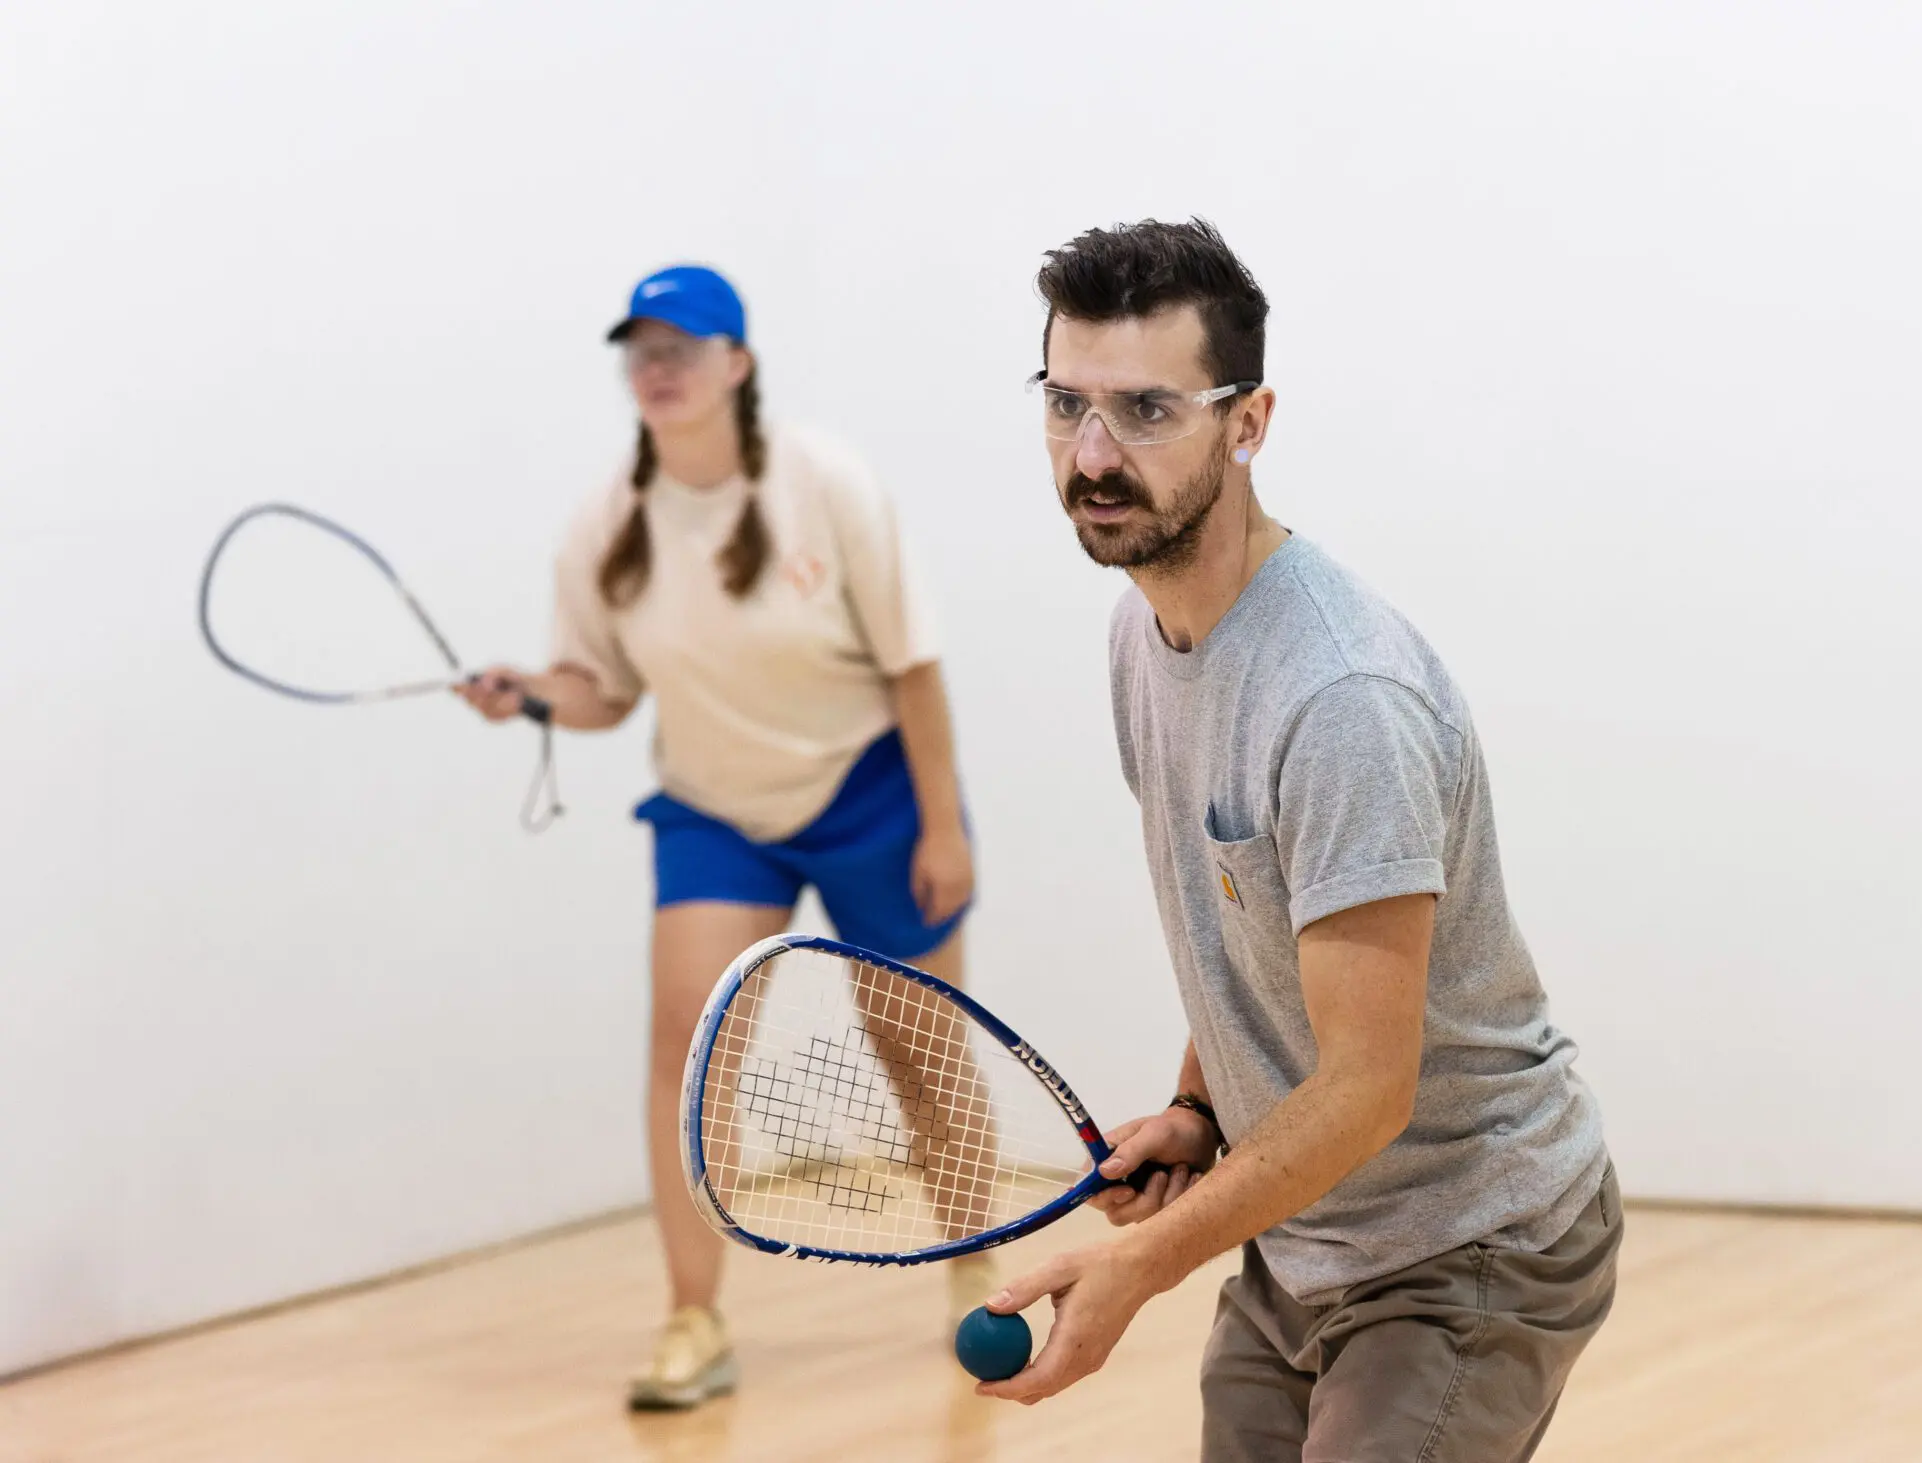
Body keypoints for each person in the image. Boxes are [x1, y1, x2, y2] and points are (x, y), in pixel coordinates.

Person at [978, 221, 1618, 1462]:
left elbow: (1368, 1087)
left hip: (1469, 1238)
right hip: (1304, 1235)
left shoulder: (1339, 699)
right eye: (1066, 404)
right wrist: (1193, 1102)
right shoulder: (1140, 634)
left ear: (1246, 421)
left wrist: (1141, 1265)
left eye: (1146, 409)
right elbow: (1245, 915)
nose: (1093, 454)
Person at [461, 264, 981, 1410]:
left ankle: (974, 1274)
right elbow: (601, 694)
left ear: (734, 364)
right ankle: (694, 1319)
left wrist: (940, 822)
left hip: (873, 791)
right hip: (712, 810)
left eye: (680, 347)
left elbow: (914, 662)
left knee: (918, 1047)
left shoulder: (824, 482)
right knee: (684, 1048)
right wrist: (534, 696)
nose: (656, 367)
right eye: (638, 350)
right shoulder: (606, 525)